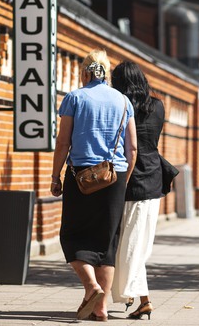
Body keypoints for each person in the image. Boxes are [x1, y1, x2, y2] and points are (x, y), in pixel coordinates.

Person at [50, 50, 138, 322]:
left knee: (72, 236)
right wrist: (121, 179)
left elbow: (63, 142)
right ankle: (101, 309)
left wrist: (56, 176)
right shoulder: (123, 101)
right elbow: (132, 147)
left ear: (85, 71)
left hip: (81, 178)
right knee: (106, 244)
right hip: (115, 178)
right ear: (107, 72)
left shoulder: (75, 98)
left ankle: (92, 287)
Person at [110, 61, 168, 320]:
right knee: (138, 243)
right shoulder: (158, 106)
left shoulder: (121, 107)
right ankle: (142, 299)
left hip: (131, 179)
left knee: (128, 243)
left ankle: (132, 294)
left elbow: (127, 147)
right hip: (154, 178)